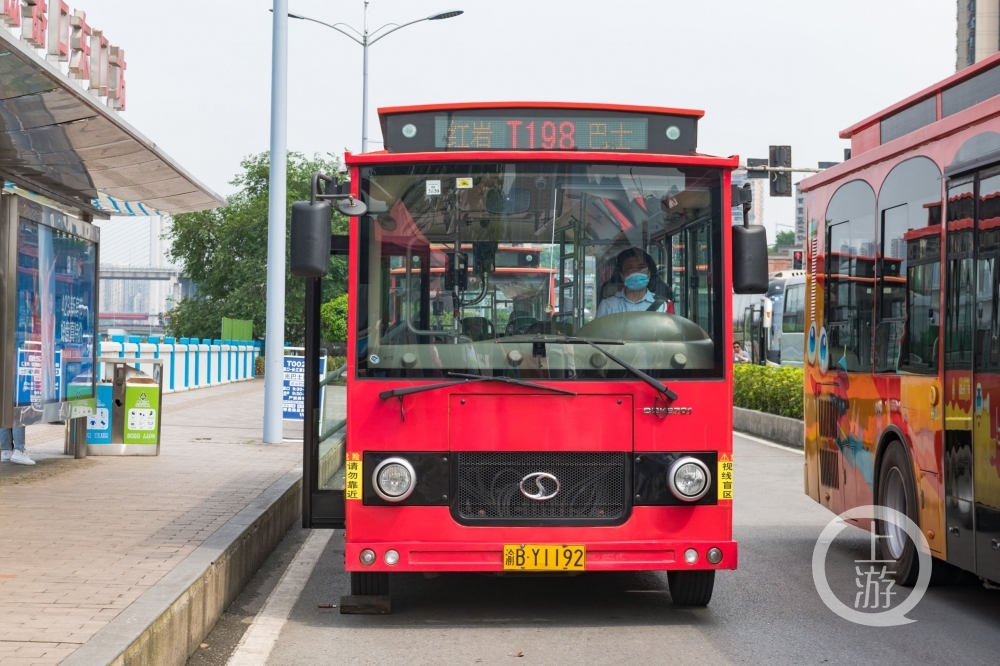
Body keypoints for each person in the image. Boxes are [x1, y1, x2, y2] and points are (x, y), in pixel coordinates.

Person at [596, 247, 672, 317]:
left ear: (649, 273)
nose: (636, 271)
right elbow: (598, 331)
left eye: (641, 267)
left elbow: (672, 331)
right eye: (630, 268)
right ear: (622, 276)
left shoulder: (664, 305)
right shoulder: (607, 305)